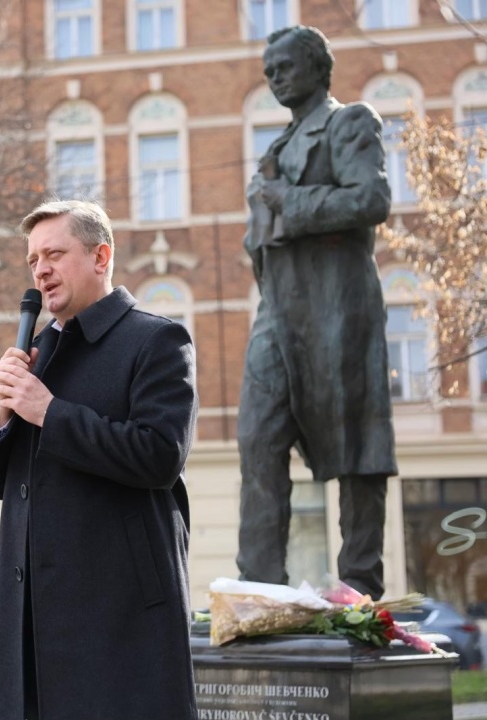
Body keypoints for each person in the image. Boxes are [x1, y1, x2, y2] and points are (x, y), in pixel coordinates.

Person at [0, 200, 198, 720]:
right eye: (33, 260)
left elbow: (160, 455)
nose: (40, 270)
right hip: (29, 623)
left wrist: (48, 412)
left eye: (54, 254)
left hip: (117, 622)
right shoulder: (35, 353)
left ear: (100, 256)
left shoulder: (156, 339)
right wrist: (2, 413)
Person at [237, 25, 396, 600]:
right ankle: (261, 591)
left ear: (318, 68)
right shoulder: (276, 149)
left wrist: (289, 200)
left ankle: (360, 585)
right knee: (257, 436)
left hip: (337, 305)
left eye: (284, 66)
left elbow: (371, 198)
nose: (274, 77)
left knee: (358, 443)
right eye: (268, 70)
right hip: (278, 311)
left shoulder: (349, 121)